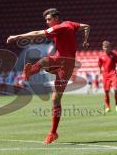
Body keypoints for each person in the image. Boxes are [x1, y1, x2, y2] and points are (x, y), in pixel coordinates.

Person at [7, 8, 90, 144]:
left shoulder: (59, 27)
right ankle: (31, 72)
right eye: (46, 19)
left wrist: (17, 37)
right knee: (45, 61)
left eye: (49, 19)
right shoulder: (69, 24)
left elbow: (36, 33)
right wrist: (85, 41)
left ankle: (53, 132)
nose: (47, 22)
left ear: (56, 18)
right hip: (61, 60)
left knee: (55, 100)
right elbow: (87, 26)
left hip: (66, 64)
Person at [98, 41, 117, 113]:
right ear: (103, 48)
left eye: (107, 47)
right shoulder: (101, 56)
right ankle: (108, 107)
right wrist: (99, 75)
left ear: (110, 47)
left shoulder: (114, 55)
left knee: (115, 90)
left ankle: (116, 105)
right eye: (104, 47)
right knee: (106, 92)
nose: (106, 49)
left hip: (113, 75)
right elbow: (99, 66)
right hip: (105, 76)